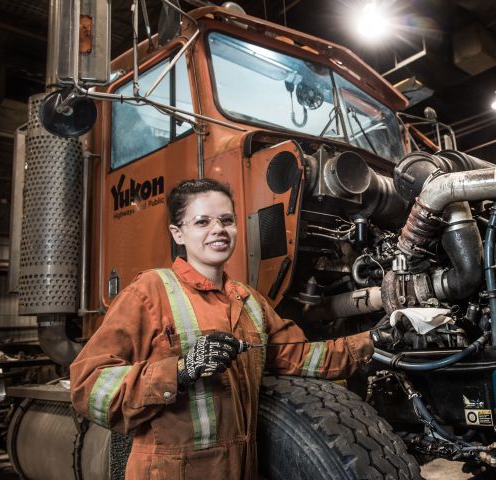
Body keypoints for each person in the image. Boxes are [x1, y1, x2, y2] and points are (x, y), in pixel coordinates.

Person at [70, 178, 378, 479]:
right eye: (202, 222)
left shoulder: (248, 301)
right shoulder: (150, 292)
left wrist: (374, 340)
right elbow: (89, 386)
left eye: (226, 220)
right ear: (178, 234)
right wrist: (179, 370)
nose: (218, 229)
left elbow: (305, 357)